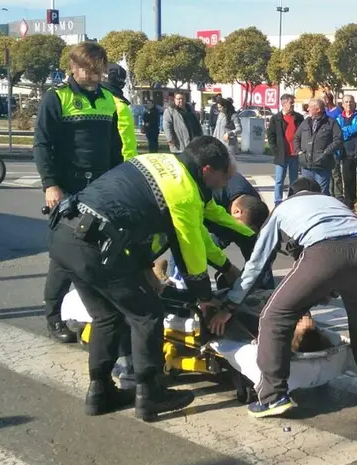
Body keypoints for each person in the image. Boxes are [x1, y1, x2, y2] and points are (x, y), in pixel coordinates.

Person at [47, 137, 244, 421]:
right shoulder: (185, 191)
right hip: (95, 246)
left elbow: (130, 211)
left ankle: (100, 392)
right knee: (147, 315)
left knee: (107, 317)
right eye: (223, 176)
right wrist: (203, 297)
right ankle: (151, 395)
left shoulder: (159, 161)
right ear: (207, 169)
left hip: (65, 234)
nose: (224, 184)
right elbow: (191, 250)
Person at [204, 177, 357, 417]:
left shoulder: (281, 210)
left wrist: (230, 304)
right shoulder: (331, 202)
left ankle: (272, 395)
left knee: (274, 316)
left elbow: (255, 267)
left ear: (292, 195)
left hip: (324, 250)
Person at [34, 41, 124, 344]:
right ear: (73, 67)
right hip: (68, 188)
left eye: (99, 69)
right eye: (88, 69)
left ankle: (96, 311)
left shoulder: (108, 100)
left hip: (100, 188)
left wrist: (117, 181)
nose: (94, 75)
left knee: (97, 253)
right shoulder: (57, 98)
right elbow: (42, 144)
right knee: (64, 257)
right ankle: (53, 317)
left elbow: (115, 147)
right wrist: (50, 184)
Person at [294, 98, 343, 195]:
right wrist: (299, 152)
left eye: (310, 107)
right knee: (307, 193)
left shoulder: (331, 122)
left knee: (322, 193)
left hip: (322, 165)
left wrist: (326, 153)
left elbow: (338, 140)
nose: (308, 109)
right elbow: (296, 138)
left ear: (318, 109)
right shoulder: (306, 122)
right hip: (306, 165)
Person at [266, 94, 303, 205]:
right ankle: (278, 201)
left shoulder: (299, 118)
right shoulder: (276, 118)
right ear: (284, 103)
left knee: (294, 180)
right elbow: (270, 135)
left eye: (293, 102)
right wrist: (275, 150)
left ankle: (292, 199)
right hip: (282, 154)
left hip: (295, 154)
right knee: (279, 180)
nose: (292, 105)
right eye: (291, 102)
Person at [336, 95, 357, 214]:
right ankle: (350, 204)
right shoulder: (339, 118)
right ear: (342, 104)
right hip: (345, 153)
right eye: (346, 102)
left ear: (354, 104)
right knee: (348, 179)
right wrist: (352, 130)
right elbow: (338, 133)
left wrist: (346, 131)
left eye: (351, 102)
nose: (349, 104)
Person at [101, 63, 138, 160]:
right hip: (124, 164)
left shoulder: (112, 104)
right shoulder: (120, 105)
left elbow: (125, 143)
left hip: (116, 165)